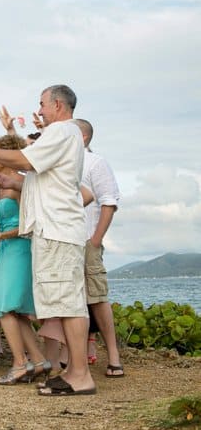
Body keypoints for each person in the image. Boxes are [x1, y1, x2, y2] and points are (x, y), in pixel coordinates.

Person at [0, 84, 96, 396]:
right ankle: (74, 370)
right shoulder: (63, 136)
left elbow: (25, 159)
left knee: (70, 304)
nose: (41, 110)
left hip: (58, 230)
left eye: (43, 104)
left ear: (58, 105)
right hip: (53, 230)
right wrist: (11, 181)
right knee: (63, 303)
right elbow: (43, 179)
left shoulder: (62, 131)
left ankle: (80, 375)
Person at [0, 135, 50, 384]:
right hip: (8, 248)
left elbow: (29, 225)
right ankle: (39, 360)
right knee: (15, 312)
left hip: (20, 249)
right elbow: (9, 221)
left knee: (5, 308)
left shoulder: (19, 182)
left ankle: (20, 364)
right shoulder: (0, 185)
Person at [74, 118, 124, 378]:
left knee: (97, 297)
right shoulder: (63, 162)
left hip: (86, 240)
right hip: (65, 241)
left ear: (82, 137)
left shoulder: (96, 162)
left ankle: (113, 355)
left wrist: (96, 239)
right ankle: (77, 357)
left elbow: (109, 202)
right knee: (73, 301)